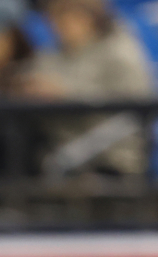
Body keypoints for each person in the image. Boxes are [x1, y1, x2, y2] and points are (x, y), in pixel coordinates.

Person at [22, 0, 154, 173]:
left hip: (111, 159)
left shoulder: (120, 53)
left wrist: (65, 95)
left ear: (90, 17)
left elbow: (136, 113)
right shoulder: (50, 55)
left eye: (68, 15)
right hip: (58, 152)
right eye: (55, 17)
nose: (58, 25)